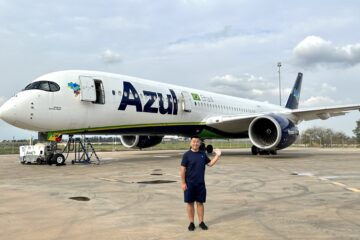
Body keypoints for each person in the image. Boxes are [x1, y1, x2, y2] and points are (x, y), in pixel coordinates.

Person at [180, 136, 221, 231]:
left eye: (197, 142)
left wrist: (217, 155)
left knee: (200, 203)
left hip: (200, 184)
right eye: (194, 141)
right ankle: (191, 223)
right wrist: (183, 183)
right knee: (190, 204)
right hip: (189, 184)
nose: (195, 143)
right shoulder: (187, 155)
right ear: (190, 143)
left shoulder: (202, 154)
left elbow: (210, 164)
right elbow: (182, 170)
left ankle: (201, 222)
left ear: (200, 143)